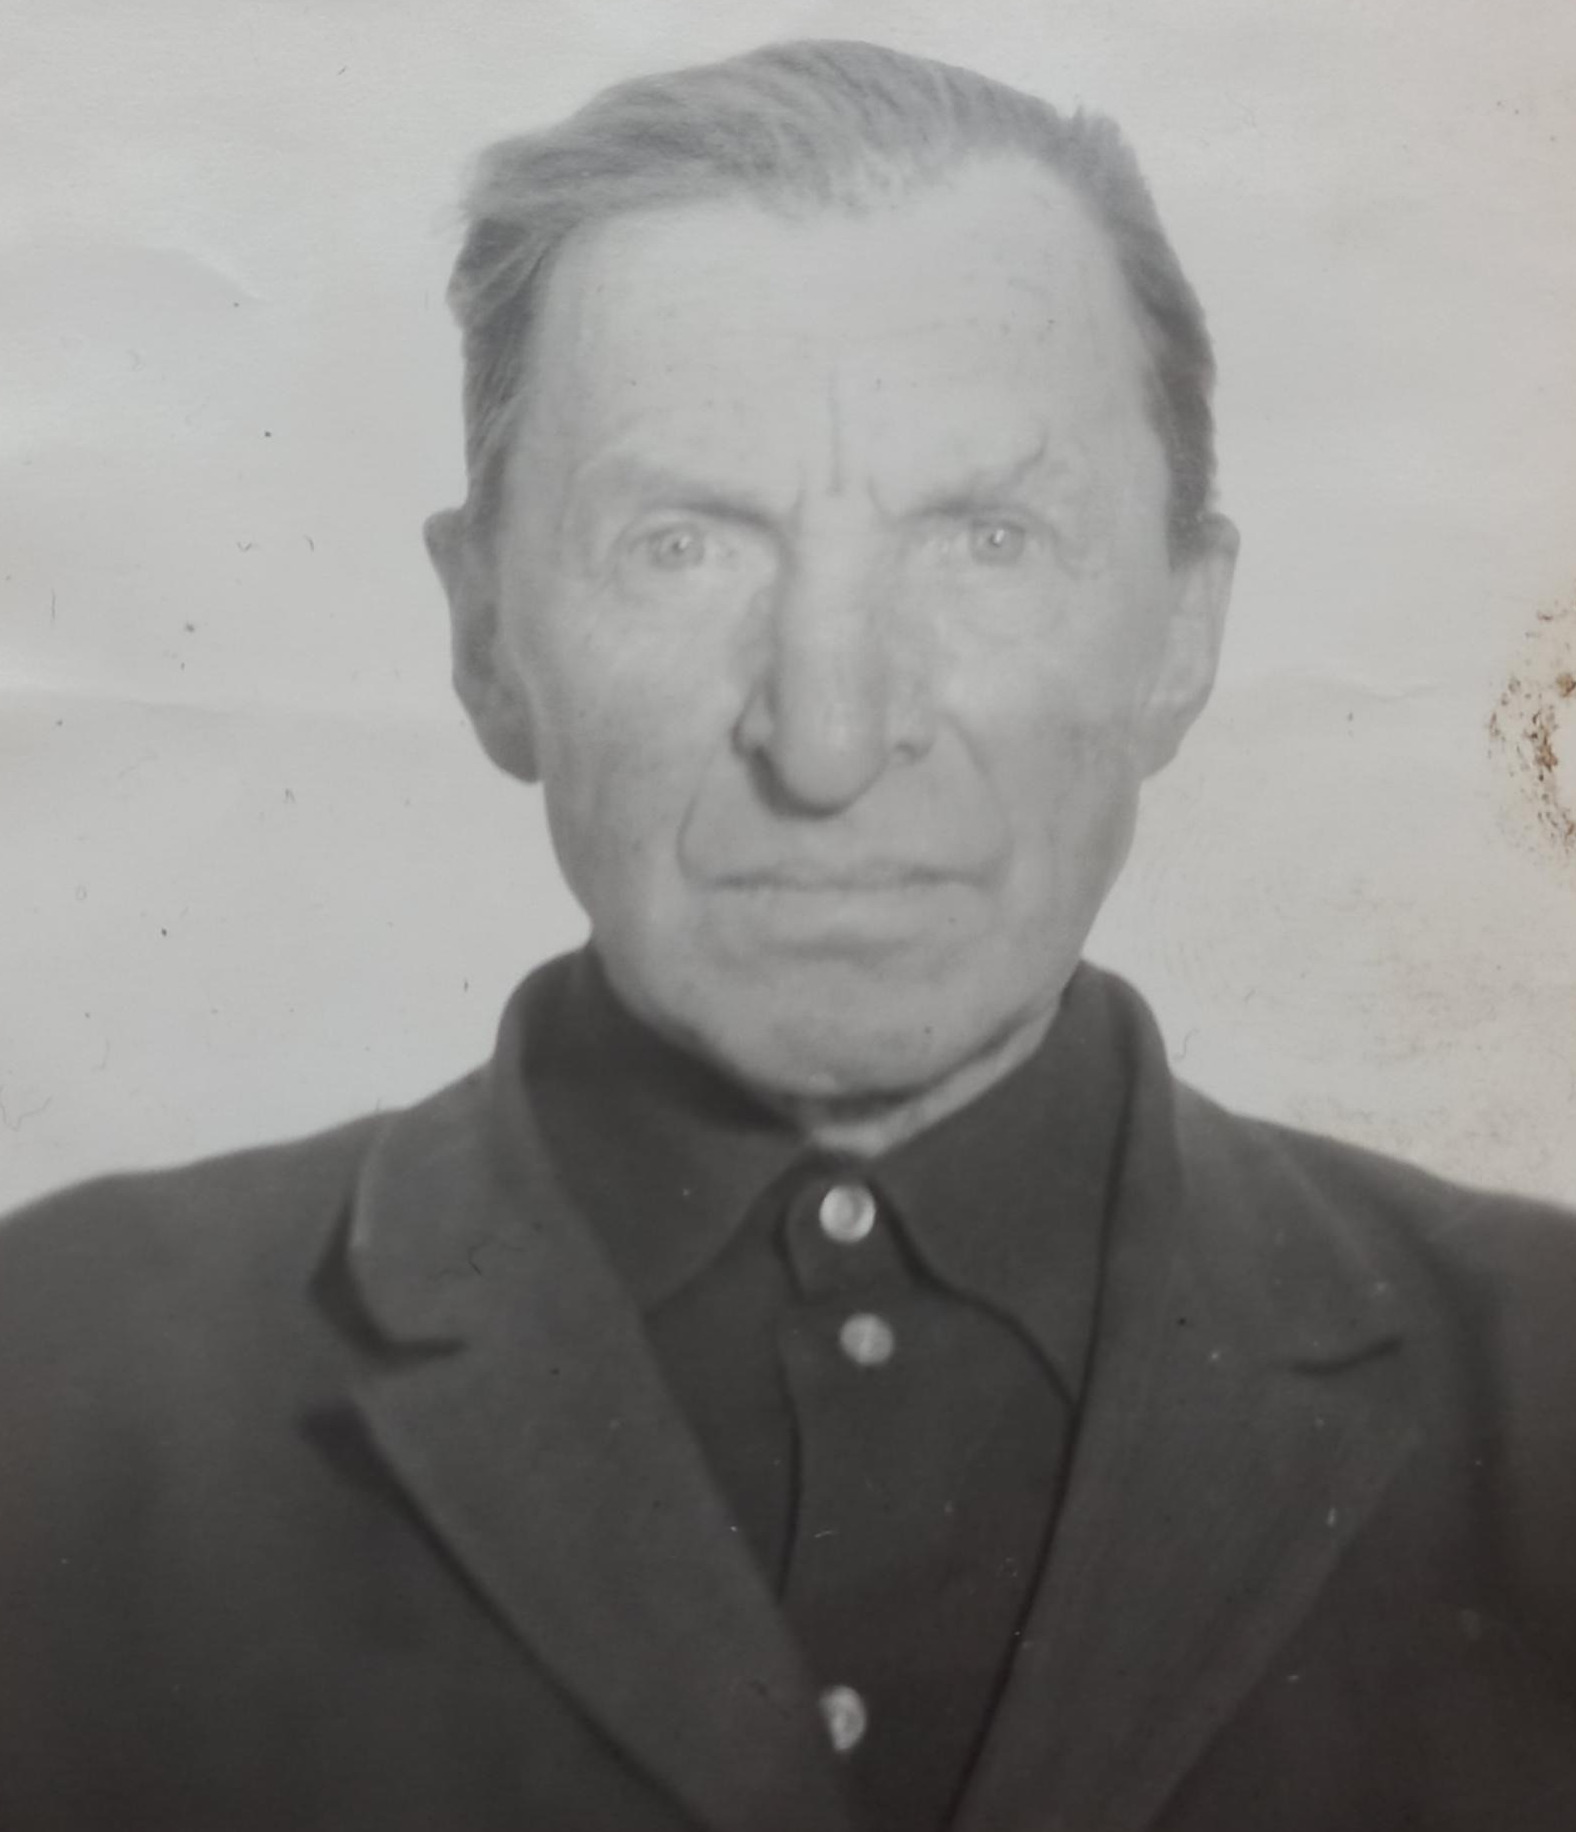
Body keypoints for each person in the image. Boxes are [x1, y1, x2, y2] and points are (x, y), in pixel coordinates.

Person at [2, 38, 1575, 1832]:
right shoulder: (48, 1386)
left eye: (986, 539)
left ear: (1184, 635)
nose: (828, 741)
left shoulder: (1551, 1381)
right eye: (684, 544)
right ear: (487, 637)